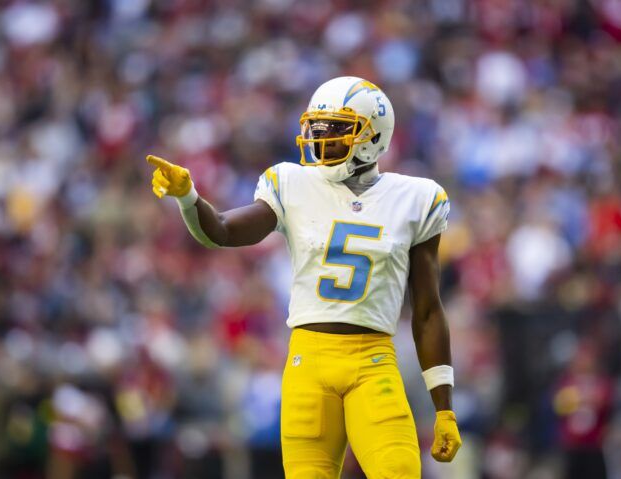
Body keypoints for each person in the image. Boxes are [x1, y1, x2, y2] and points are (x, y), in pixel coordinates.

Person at [146, 76, 461, 478]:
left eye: (336, 128)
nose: (320, 136)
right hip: (308, 361)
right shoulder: (292, 182)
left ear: (373, 135)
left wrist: (444, 408)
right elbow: (222, 230)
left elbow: (429, 310)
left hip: (374, 361)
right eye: (317, 126)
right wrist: (189, 197)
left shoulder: (416, 198)